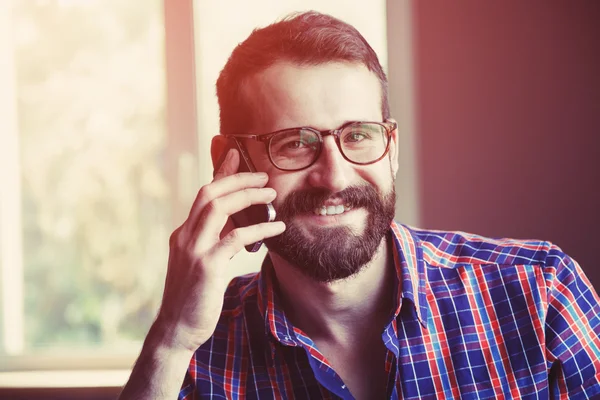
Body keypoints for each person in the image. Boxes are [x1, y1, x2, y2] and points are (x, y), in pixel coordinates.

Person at [119, 11, 600, 400]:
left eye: (359, 135)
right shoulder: (195, 349)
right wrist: (172, 339)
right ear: (230, 161)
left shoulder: (541, 293)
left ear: (391, 147)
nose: (334, 177)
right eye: (295, 143)